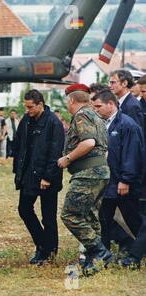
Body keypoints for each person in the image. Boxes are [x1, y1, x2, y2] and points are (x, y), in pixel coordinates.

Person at [58, 83, 112, 276]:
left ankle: (99, 251)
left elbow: (89, 142)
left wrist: (67, 158)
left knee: (70, 215)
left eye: (67, 101)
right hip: (100, 172)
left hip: (88, 173)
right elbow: (104, 149)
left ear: (72, 100)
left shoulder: (82, 115)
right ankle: (94, 260)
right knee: (90, 216)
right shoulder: (98, 117)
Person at [13, 90, 65, 265]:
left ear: (40, 104)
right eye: (26, 107)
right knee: (24, 209)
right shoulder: (26, 120)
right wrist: (18, 171)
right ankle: (43, 245)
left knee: (48, 217)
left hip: (47, 178)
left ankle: (50, 253)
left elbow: (56, 152)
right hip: (29, 175)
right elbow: (19, 144)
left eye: (30, 107)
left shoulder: (53, 123)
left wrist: (48, 177)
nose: (28, 110)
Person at [92, 90, 144, 262]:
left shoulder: (127, 125)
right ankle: (103, 254)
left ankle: (138, 251)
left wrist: (125, 179)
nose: (96, 109)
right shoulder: (103, 124)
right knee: (104, 220)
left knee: (133, 220)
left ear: (111, 104)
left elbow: (132, 154)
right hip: (107, 183)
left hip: (122, 184)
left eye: (99, 106)